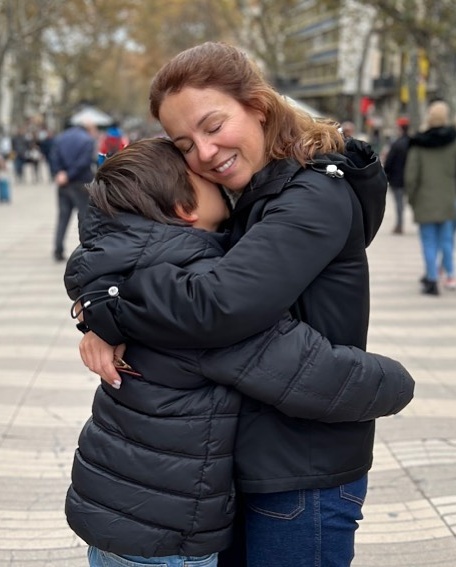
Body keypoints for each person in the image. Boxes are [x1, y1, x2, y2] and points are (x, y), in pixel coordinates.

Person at [73, 42, 402, 566]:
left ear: (260, 106)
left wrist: (105, 304)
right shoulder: (251, 194)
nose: (203, 152)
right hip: (238, 468)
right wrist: (101, 307)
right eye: (184, 144)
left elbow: (217, 307)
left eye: (212, 125)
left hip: (300, 471)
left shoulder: (311, 194)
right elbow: (135, 214)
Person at [405, 100, 456, 295]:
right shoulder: (453, 142)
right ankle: (450, 275)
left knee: (428, 241)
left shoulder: (418, 143)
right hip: (448, 198)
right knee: (447, 240)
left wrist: (411, 198)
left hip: (425, 199)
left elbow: (411, 176)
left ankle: (432, 278)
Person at [49, 120, 98, 262]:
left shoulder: (60, 138)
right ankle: (87, 248)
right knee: (85, 217)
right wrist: (70, 174)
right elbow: (85, 162)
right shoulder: (88, 140)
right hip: (81, 183)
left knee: (63, 217)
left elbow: (54, 157)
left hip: (63, 182)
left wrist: (59, 173)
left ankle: (58, 249)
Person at [383, 119, 410, 234]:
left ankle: (399, 225)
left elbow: (389, 162)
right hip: (409, 177)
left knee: (399, 203)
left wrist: (385, 174)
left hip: (397, 178)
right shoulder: (411, 142)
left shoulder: (396, 144)